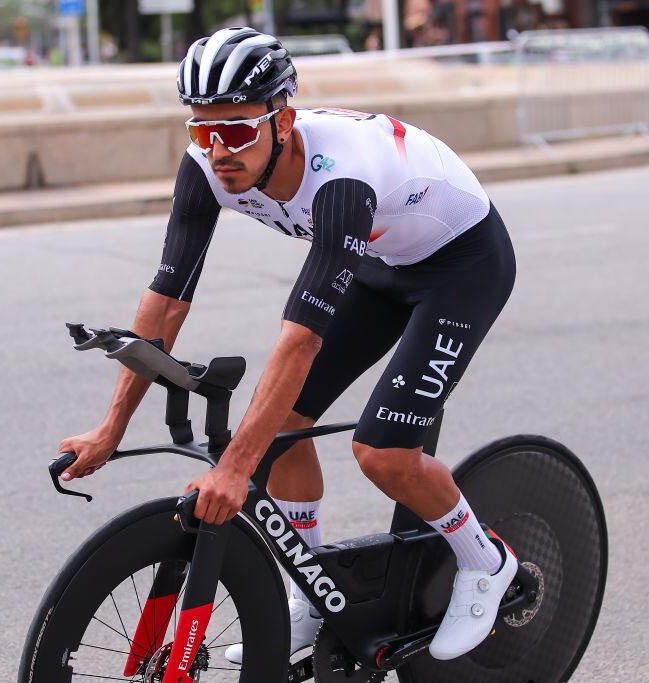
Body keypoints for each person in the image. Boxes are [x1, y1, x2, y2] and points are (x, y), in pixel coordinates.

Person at [57, 27, 518, 664]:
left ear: (285, 120)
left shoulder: (341, 176)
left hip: (462, 265)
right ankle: (311, 593)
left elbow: (300, 339)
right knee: (283, 428)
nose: (218, 149)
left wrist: (235, 469)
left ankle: (485, 561)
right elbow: (167, 300)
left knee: (382, 454)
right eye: (201, 130)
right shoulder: (207, 166)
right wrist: (110, 429)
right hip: (381, 262)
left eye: (239, 130)